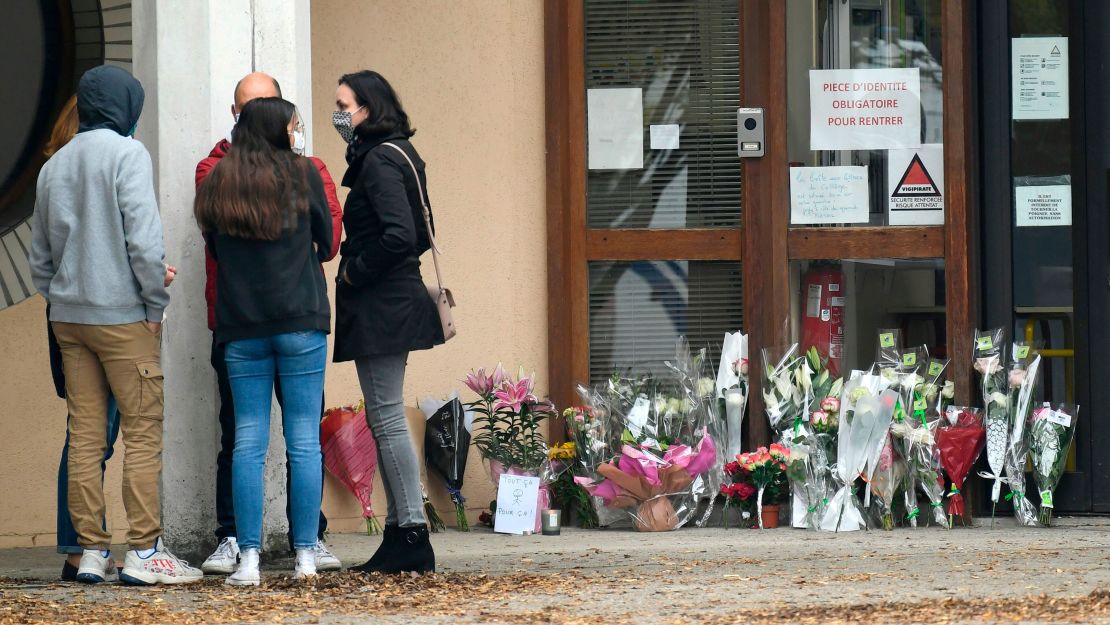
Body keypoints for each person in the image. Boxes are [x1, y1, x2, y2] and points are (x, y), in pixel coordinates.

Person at [29, 65, 201, 585]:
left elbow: (40, 261)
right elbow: (145, 244)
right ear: (126, 106)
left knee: (84, 437)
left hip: (69, 318)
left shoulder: (52, 167)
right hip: (125, 318)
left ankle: (92, 553)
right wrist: (154, 305)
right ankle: (146, 551)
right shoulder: (128, 154)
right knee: (143, 432)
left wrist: (67, 295)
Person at [194, 72, 343, 575]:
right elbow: (328, 242)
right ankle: (305, 554)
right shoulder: (304, 175)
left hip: (241, 325)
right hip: (301, 318)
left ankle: (249, 557)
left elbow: (214, 249)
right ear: (281, 129)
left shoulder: (217, 179)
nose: (299, 131)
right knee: (303, 439)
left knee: (247, 441)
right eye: (295, 124)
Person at [331, 70, 444, 575]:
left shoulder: (378, 161)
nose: (338, 116)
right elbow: (421, 232)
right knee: (384, 415)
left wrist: (356, 269)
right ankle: (401, 534)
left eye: (344, 106)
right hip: (392, 301)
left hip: (382, 304)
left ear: (368, 110)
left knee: (385, 416)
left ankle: (413, 533)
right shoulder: (398, 154)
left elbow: (401, 235)